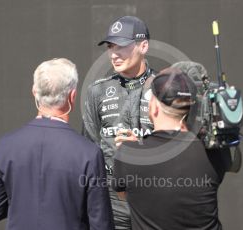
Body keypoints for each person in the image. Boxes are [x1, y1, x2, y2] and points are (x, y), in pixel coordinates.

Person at [0, 58, 114, 230]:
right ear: (72, 96)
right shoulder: (88, 153)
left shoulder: (6, 145)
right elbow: (101, 223)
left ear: (34, 92)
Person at [113, 68, 228, 230]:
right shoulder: (214, 151)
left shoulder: (129, 154)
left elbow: (126, 194)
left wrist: (138, 147)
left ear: (154, 107)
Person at [82, 16, 155, 229]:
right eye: (111, 46)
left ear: (143, 46)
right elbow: (89, 149)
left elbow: (175, 143)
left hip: (155, 197)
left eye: (121, 46)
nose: (114, 54)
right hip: (112, 203)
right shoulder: (98, 91)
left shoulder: (163, 87)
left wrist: (141, 147)